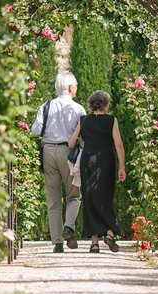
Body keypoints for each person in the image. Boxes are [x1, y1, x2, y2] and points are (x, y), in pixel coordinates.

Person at [31, 72, 86, 253]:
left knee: (53, 199)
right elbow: (83, 137)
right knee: (74, 195)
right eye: (75, 86)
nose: (76, 89)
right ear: (70, 88)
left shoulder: (46, 106)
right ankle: (68, 228)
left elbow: (35, 130)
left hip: (48, 151)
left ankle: (57, 243)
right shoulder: (78, 109)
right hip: (69, 153)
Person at [67, 90, 126, 253]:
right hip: (106, 161)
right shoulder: (111, 120)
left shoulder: (84, 120)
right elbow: (119, 144)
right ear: (106, 105)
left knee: (90, 199)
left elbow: (71, 143)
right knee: (106, 197)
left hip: (88, 162)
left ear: (91, 105)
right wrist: (122, 166)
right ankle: (109, 233)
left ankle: (94, 244)